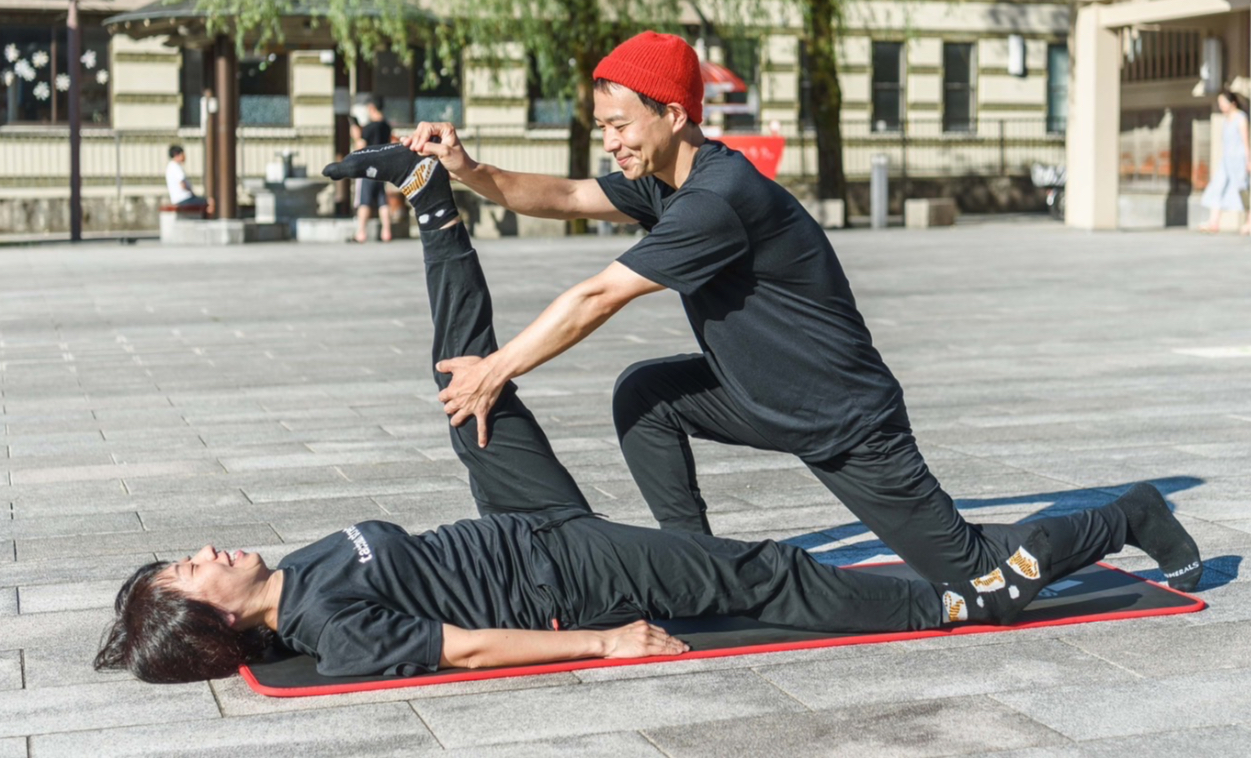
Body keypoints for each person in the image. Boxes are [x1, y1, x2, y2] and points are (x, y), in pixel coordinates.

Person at [94, 156, 1094, 684]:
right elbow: (466, 648)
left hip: (513, 521)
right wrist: (603, 644)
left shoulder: (296, 577)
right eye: (192, 568)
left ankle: (432, 205)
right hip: (562, 575)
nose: (207, 549)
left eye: (187, 554)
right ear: (218, 616)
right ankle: (944, 606)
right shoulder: (328, 627)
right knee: (769, 573)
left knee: (466, 387)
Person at [389, 31, 1204, 595]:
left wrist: (497, 369)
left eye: (619, 124)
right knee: (647, 397)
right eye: (602, 126)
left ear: (674, 113)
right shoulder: (665, 181)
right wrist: (469, 168)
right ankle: (700, 564)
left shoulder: (717, 198)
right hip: (760, 396)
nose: (609, 141)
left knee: (979, 580)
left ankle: (1130, 513)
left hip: (845, 420)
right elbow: (567, 195)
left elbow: (599, 294)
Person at [1200, 91, 1251, 236]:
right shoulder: (1225, 120)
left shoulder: (1241, 118)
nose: (1221, 105)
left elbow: (1245, 141)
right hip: (1226, 160)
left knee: (1243, 190)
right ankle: (1214, 222)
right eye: (1220, 103)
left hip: (1239, 160)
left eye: (1223, 102)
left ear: (1232, 103)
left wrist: (1248, 161)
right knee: (1217, 186)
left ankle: (1250, 221)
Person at [350, 93, 395, 243]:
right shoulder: (386, 126)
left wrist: (356, 136)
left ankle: (361, 233)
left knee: (365, 200)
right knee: (382, 199)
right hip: (382, 166)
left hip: (369, 167)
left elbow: (361, 146)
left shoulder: (369, 127)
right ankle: (386, 232)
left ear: (371, 107)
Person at [164, 145, 206, 211]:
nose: (185, 156)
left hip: (177, 199)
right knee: (209, 202)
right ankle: (206, 218)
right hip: (183, 198)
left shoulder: (170, 166)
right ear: (177, 154)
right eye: (183, 154)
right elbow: (183, 185)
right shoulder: (176, 167)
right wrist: (191, 191)